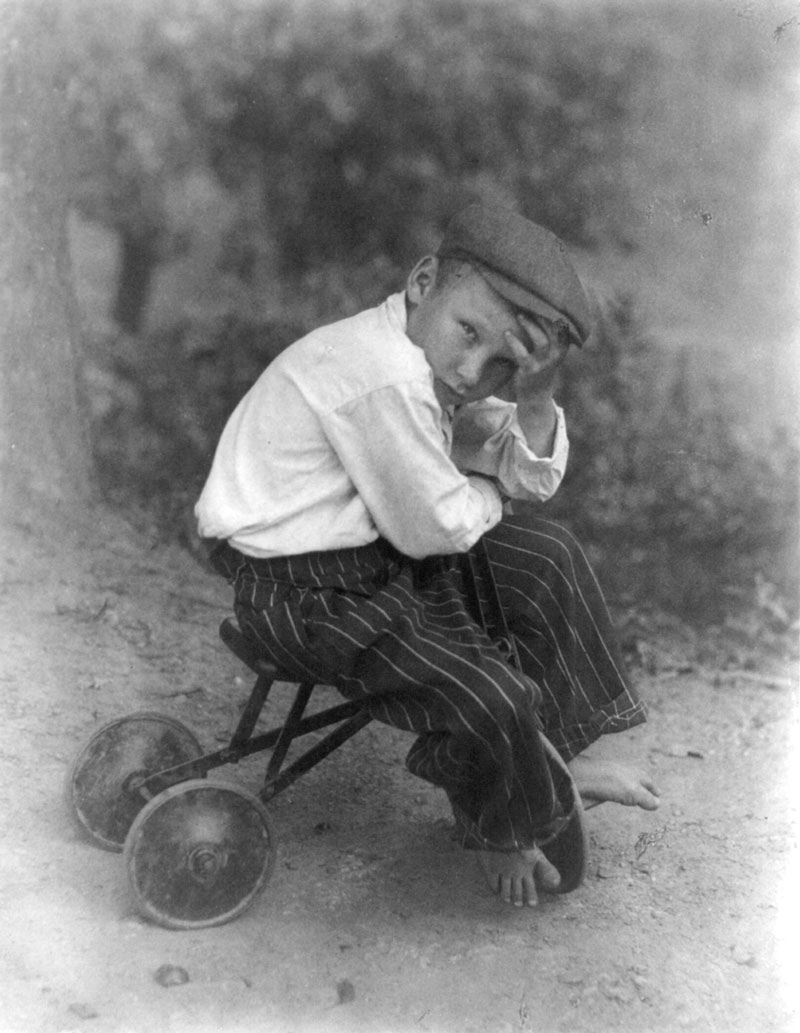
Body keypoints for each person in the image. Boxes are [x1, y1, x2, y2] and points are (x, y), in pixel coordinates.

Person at [196, 203, 660, 908]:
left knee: (545, 559)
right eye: (469, 332)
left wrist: (534, 400)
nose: (473, 370)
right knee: (485, 686)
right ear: (422, 282)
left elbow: (513, 459)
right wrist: (485, 487)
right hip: (301, 593)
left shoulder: (419, 354)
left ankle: (563, 747)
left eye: (506, 361)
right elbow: (440, 524)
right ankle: (504, 826)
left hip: (368, 555)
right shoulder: (382, 374)